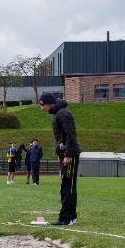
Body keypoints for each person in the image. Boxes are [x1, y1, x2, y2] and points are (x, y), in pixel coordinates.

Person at [40, 92, 82, 226]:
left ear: (51, 103)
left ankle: (65, 218)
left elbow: (71, 135)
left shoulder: (62, 113)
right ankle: (71, 216)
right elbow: (61, 137)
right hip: (65, 153)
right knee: (68, 186)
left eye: (43, 105)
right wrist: (60, 152)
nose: (42, 108)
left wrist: (68, 154)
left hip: (70, 154)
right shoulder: (58, 113)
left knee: (67, 186)